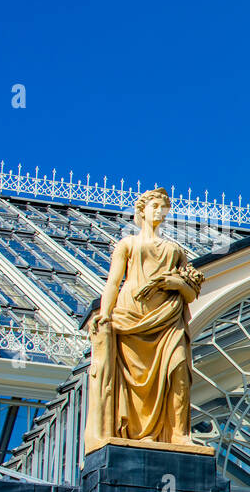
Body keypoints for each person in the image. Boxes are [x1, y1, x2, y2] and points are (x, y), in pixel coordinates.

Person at [85, 187, 202, 451]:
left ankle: (179, 434)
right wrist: (104, 314)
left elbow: (191, 293)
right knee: (133, 381)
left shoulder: (175, 249)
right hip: (131, 317)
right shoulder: (128, 244)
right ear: (142, 211)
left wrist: (175, 282)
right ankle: (138, 434)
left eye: (164, 208)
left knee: (178, 371)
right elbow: (114, 282)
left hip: (168, 319)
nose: (160, 212)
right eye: (155, 207)